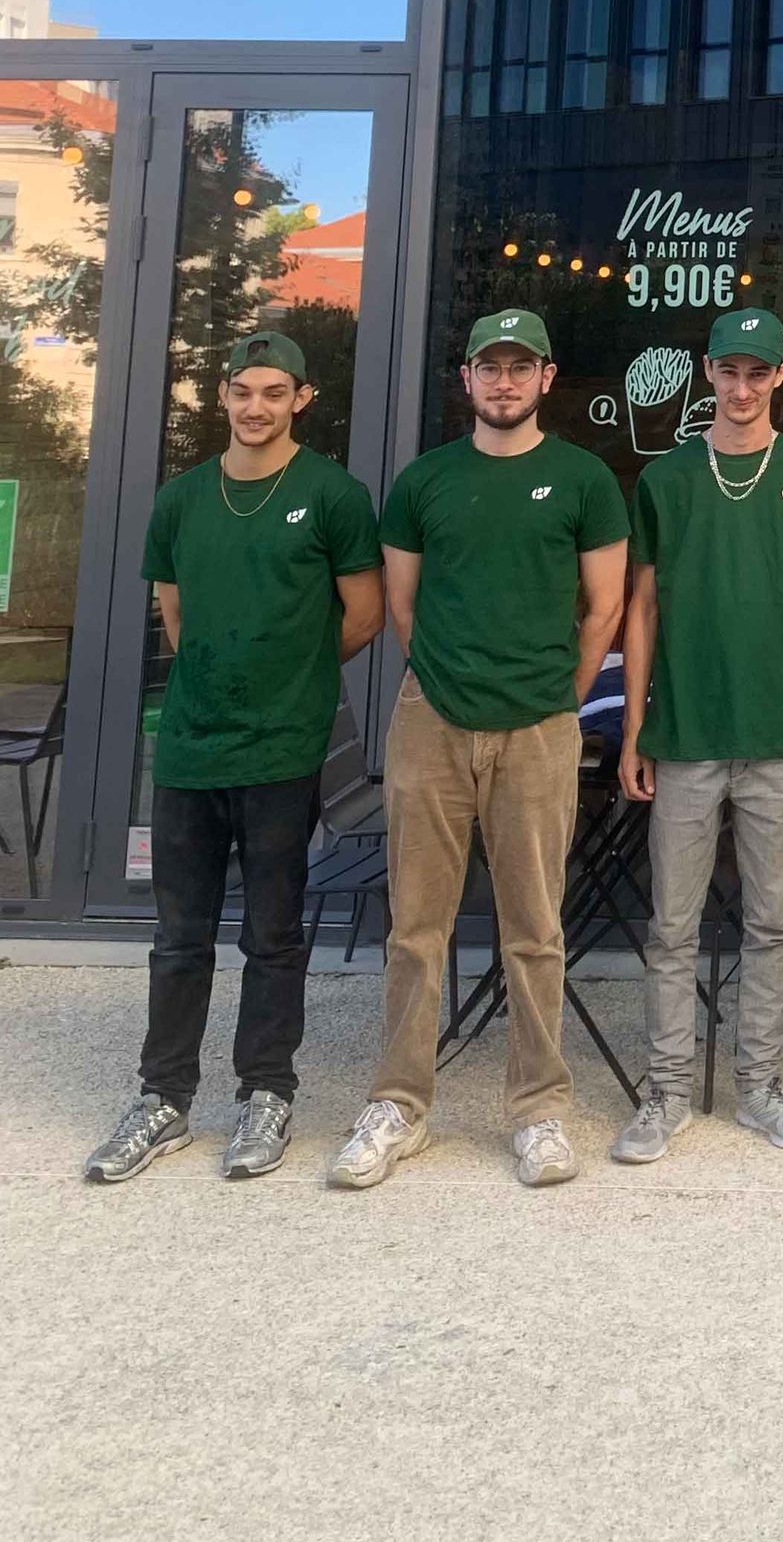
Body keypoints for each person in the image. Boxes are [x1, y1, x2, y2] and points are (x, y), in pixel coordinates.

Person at [328, 309, 628, 1192]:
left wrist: (558, 701)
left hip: (538, 725)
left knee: (534, 928)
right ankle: (399, 1104)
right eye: (488, 367)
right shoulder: (423, 481)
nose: (504, 382)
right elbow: (405, 611)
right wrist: (448, 688)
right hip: (434, 721)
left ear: (546, 377)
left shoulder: (583, 479)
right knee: (416, 927)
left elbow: (603, 609)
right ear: (466, 380)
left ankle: (539, 1108)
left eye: (520, 367)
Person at [83, 333, 383, 1185]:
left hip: (284, 751)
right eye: (242, 391)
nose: (256, 407)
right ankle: (164, 1098)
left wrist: (292, 681)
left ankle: (266, 1092)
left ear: (301, 399)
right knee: (178, 937)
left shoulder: (332, 495)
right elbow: (174, 613)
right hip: (189, 747)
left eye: (274, 392)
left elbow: (362, 615)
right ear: (223, 397)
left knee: (273, 934)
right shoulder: (181, 500)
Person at [609, 307, 783, 1165]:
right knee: (671, 924)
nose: (743, 388)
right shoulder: (666, 479)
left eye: (758, 372)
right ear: (705, 375)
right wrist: (635, 723)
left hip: (780, 730)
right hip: (686, 729)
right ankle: (667, 1091)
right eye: (728, 371)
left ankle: (759, 1086)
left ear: (780, 377)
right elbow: (639, 607)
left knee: (772, 922)